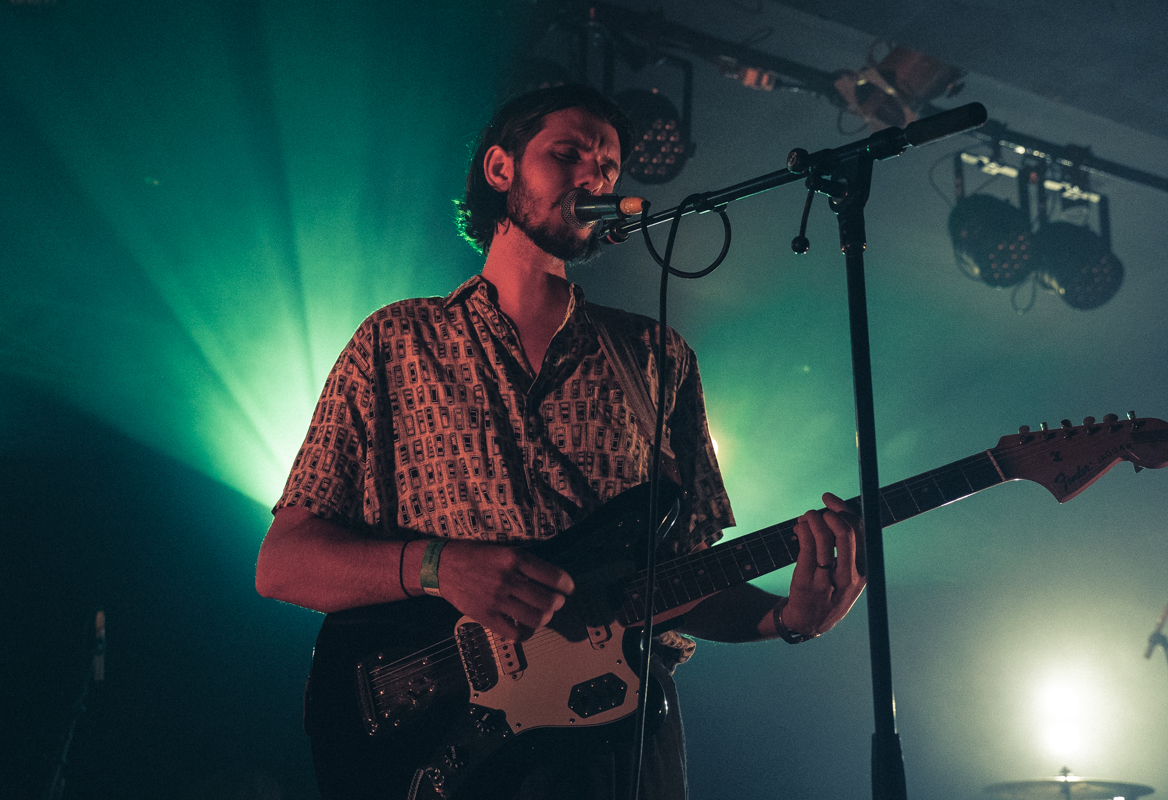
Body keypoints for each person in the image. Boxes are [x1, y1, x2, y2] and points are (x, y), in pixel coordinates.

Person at [255, 83, 866, 800]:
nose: (594, 178)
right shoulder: (397, 340)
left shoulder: (656, 355)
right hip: (449, 739)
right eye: (569, 154)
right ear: (500, 168)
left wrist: (784, 619)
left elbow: (681, 582)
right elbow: (283, 564)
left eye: (607, 168)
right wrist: (439, 566)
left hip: (617, 734)